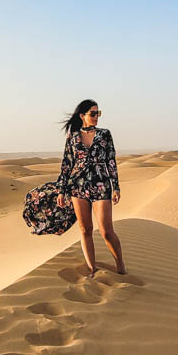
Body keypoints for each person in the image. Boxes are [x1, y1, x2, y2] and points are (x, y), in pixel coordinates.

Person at [55, 99, 126, 276]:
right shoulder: (72, 137)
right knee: (85, 230)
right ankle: (92, 269)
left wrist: (115, 187)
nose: (96, 117)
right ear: (82, 116)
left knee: (106, 231)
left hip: (101, 184)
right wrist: (62, 190)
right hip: (77, 186)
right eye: (93, 113)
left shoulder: (105, 134)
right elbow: (67, 165)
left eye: (98, 113)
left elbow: (111, 161)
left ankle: (120, 266)